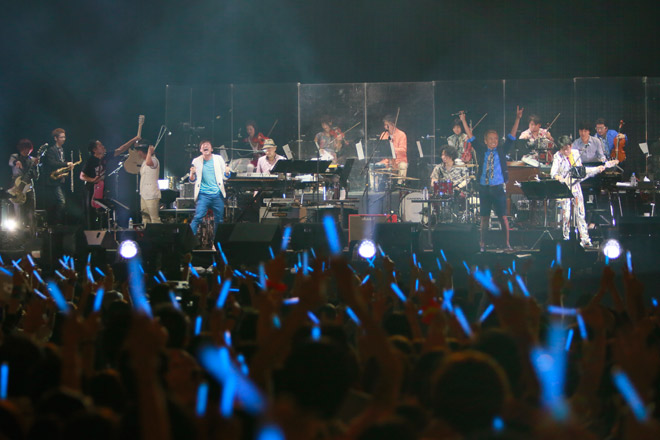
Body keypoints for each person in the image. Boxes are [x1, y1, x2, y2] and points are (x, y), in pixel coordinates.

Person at [461, 106, 523, 252]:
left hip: (498, 188)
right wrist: (463, 120)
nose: (494, 141)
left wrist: (518, 118)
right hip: (484, 189)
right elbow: (471, 137)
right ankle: (482, 243)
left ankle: (506, 244)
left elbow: (511, 136)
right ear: (485, 140)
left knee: (503, 217)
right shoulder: (481, 150)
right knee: (484, 218)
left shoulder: (501, 150)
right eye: (491, 139)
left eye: (495, 138)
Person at [551, 135, 605, 247]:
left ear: (571, 146)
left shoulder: (575, 153)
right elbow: (553, 173)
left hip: (575, 186)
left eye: (568, 148)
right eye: (563, 150)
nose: (566, 152)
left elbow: (581, 170)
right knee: (566, 214)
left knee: (580, 213)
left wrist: (595, 170)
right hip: (565, 187)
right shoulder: (557, 156)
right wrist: (559, 178)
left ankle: (585, 239)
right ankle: (566, 238)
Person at [80, 135, 140, 228]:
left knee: (104, 208)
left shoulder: (105, 156)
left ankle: (104, 228)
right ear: (94, 150)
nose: (103, 146)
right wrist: (92, 180)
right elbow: (82, 176)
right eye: (100, 145)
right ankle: (90, 230)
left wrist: (134, 140)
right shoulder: (90, 160)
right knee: (91, 211)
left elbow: (121, 149)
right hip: (91, 189)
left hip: (102, 187)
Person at [189, 139, 230, 235]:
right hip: (203, 195)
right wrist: (192, 174)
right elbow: (192, 180)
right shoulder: (196, 161)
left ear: (211, 149)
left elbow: (225, 177)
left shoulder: (218, 159)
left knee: (219, 220)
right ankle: (189, 238)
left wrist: (227, 172)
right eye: (203, 145)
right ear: (200, 150)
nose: (205, 146)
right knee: (198, 217)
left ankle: (217, 241)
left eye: (207, 145)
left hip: (217, 194)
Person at [41, 128, 74, 226]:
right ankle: (56, 222)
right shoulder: (51, 150)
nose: (64, 139)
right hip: (53, 180)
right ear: (55, 138)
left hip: (61, 179)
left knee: (62, 202)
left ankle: (59, 222)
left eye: (64, 137)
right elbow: (52, 163)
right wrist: (66, 164)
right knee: (61, 201)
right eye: (61, 137)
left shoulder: (62, 150)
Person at [8, 139, 40, 230]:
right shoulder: (15, 156)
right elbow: (11, 162)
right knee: (18, 210)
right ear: (20, 148)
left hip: (29, 187)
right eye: (24, 149)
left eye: (28, 149)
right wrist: (16, 162)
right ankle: (18, 231)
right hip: (17, 186)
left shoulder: (32, 160)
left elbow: (36, 176)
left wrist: (36, 166)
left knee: (31, 211)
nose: (26, 151)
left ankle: (32, 231)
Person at [135, 143, 161, 224]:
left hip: (152, 194)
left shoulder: (154, 160)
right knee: (145, 217)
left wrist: (150, 152)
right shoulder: (144, 162)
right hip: (144, 193)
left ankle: (157, 231)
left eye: (140, 152)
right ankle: (146, 230)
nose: (139, 154)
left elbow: (149, 163)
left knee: (154, 218)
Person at [379, 114, 408, 180]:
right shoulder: (383, 134)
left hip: (399, 160)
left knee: (403, 166)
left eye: (387, 125)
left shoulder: (401, 134)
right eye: (384, 125)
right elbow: (381, 148)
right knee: (374, 166)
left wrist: (392, 149)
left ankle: (400, 184)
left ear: (392, 124)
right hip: (387, 161)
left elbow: (403, 150)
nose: (385, 127)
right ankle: (375, 185)